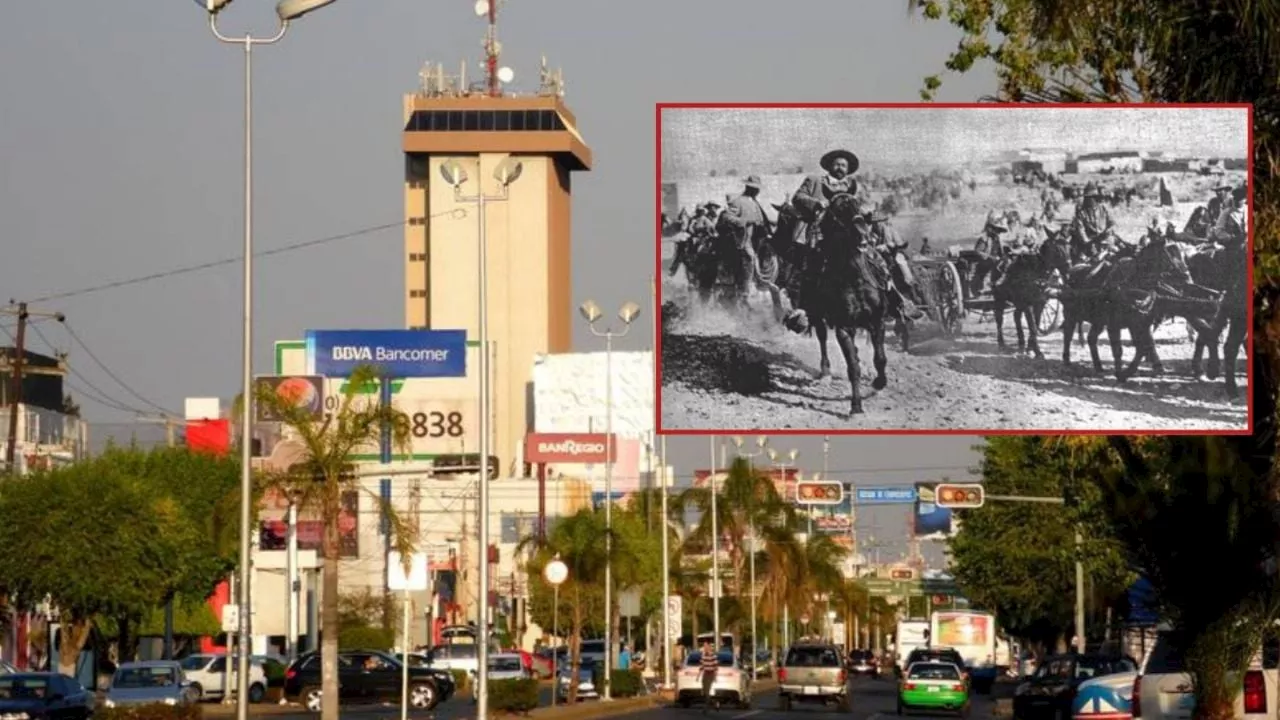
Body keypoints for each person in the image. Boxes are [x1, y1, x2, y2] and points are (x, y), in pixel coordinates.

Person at [791, 148, 861, 245]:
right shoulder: (815, 180)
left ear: (848, 169)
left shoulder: (851, 187)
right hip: (816, 231)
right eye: (836, 165)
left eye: (843, 165)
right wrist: (816, 203)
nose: (840, 168)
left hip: (844, 232)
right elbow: (797, 197)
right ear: (829, 166)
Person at [717, 175, 771, 293]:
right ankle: (745, 290)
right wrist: (745, 222)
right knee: (749, 259)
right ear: (748, 187)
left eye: (757, 188)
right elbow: (727, 217)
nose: (757, 191)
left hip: (758, 239)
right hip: (744, 239)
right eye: (755, 188)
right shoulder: (738, 201)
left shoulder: (755, 202)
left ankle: (762, 285)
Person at [1069, 183, 1116, 263]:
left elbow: (1111, 223)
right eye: (1086, 198)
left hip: (1105, 240)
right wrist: (1088, 243)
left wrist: (1107, 232)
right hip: (1089, 242)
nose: (1088, 200)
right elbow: (1081, 231)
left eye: (1090, 198)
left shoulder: (1104, 209)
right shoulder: (1082, 213)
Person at [969, 210, 1011, 296]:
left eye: (999, 230)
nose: (997, 232)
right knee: (992, 265)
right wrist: (990, 257)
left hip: (996, 262)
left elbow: (1001, 252)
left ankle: (1003, 285)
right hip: (984, 263)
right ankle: (986, 287)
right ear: (990, 228)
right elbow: (977, 251)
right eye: (996, 230)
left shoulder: (997, 239)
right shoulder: (984, 238)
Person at [699, 640, 719, 713]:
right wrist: (698, 676)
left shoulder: (713, 655)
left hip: (711, 674)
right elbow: (702, 666)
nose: (704, 647)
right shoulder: (703, 654)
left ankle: (706, 708)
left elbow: (716, 666)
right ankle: (714, 703)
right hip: (705, 674)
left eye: (705, 646)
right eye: (704, 646)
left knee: (707, 692)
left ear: (709, 646)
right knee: (704, 692)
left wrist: (715, 677)